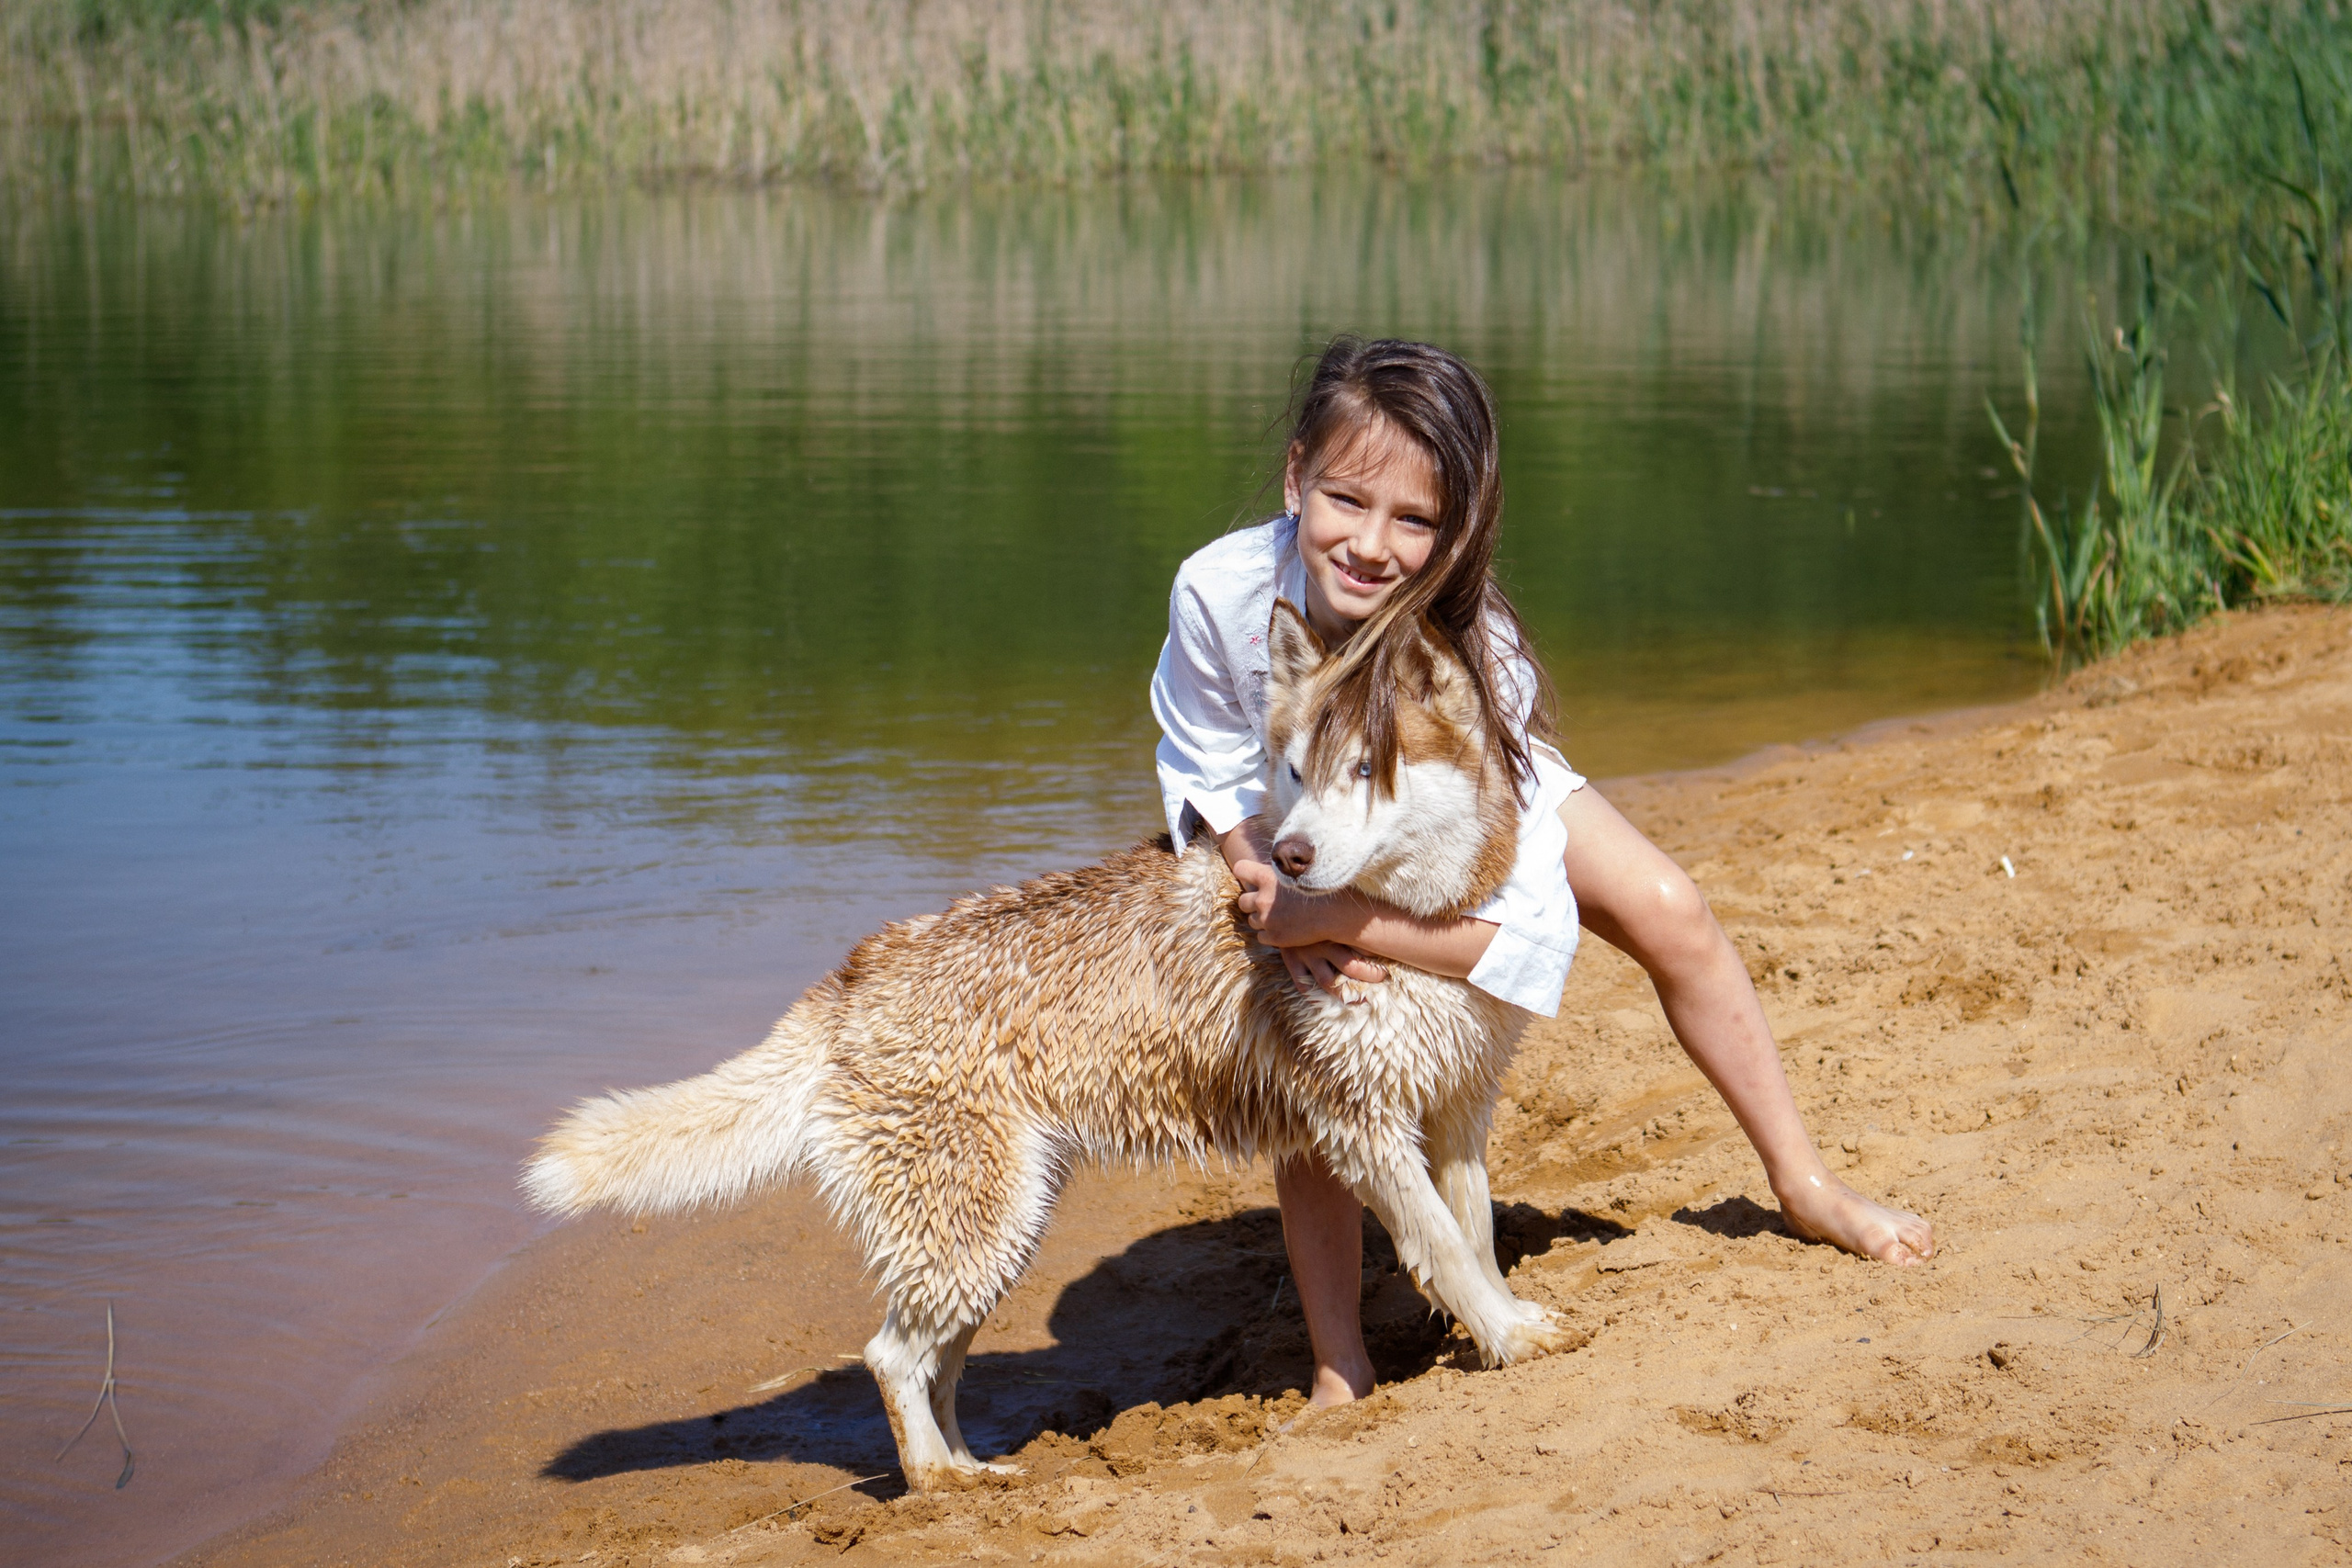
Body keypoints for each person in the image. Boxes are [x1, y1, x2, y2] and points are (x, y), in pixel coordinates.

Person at [1149, 336, 1934, 1408]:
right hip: (1296, 811)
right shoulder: (1220, 591)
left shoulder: (1481, 651)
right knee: (1321, 1046)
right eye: (1345, 500)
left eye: (1414, 520)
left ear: (1455, 530)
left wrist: (1335, 922)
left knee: (1670, 908)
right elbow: (1206, 761)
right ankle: (1339, 1360)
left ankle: (1803, 1183)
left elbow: (1510, 930)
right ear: (1296, 478)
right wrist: (1266, 886)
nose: (1370, 545)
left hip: (1460, 793)